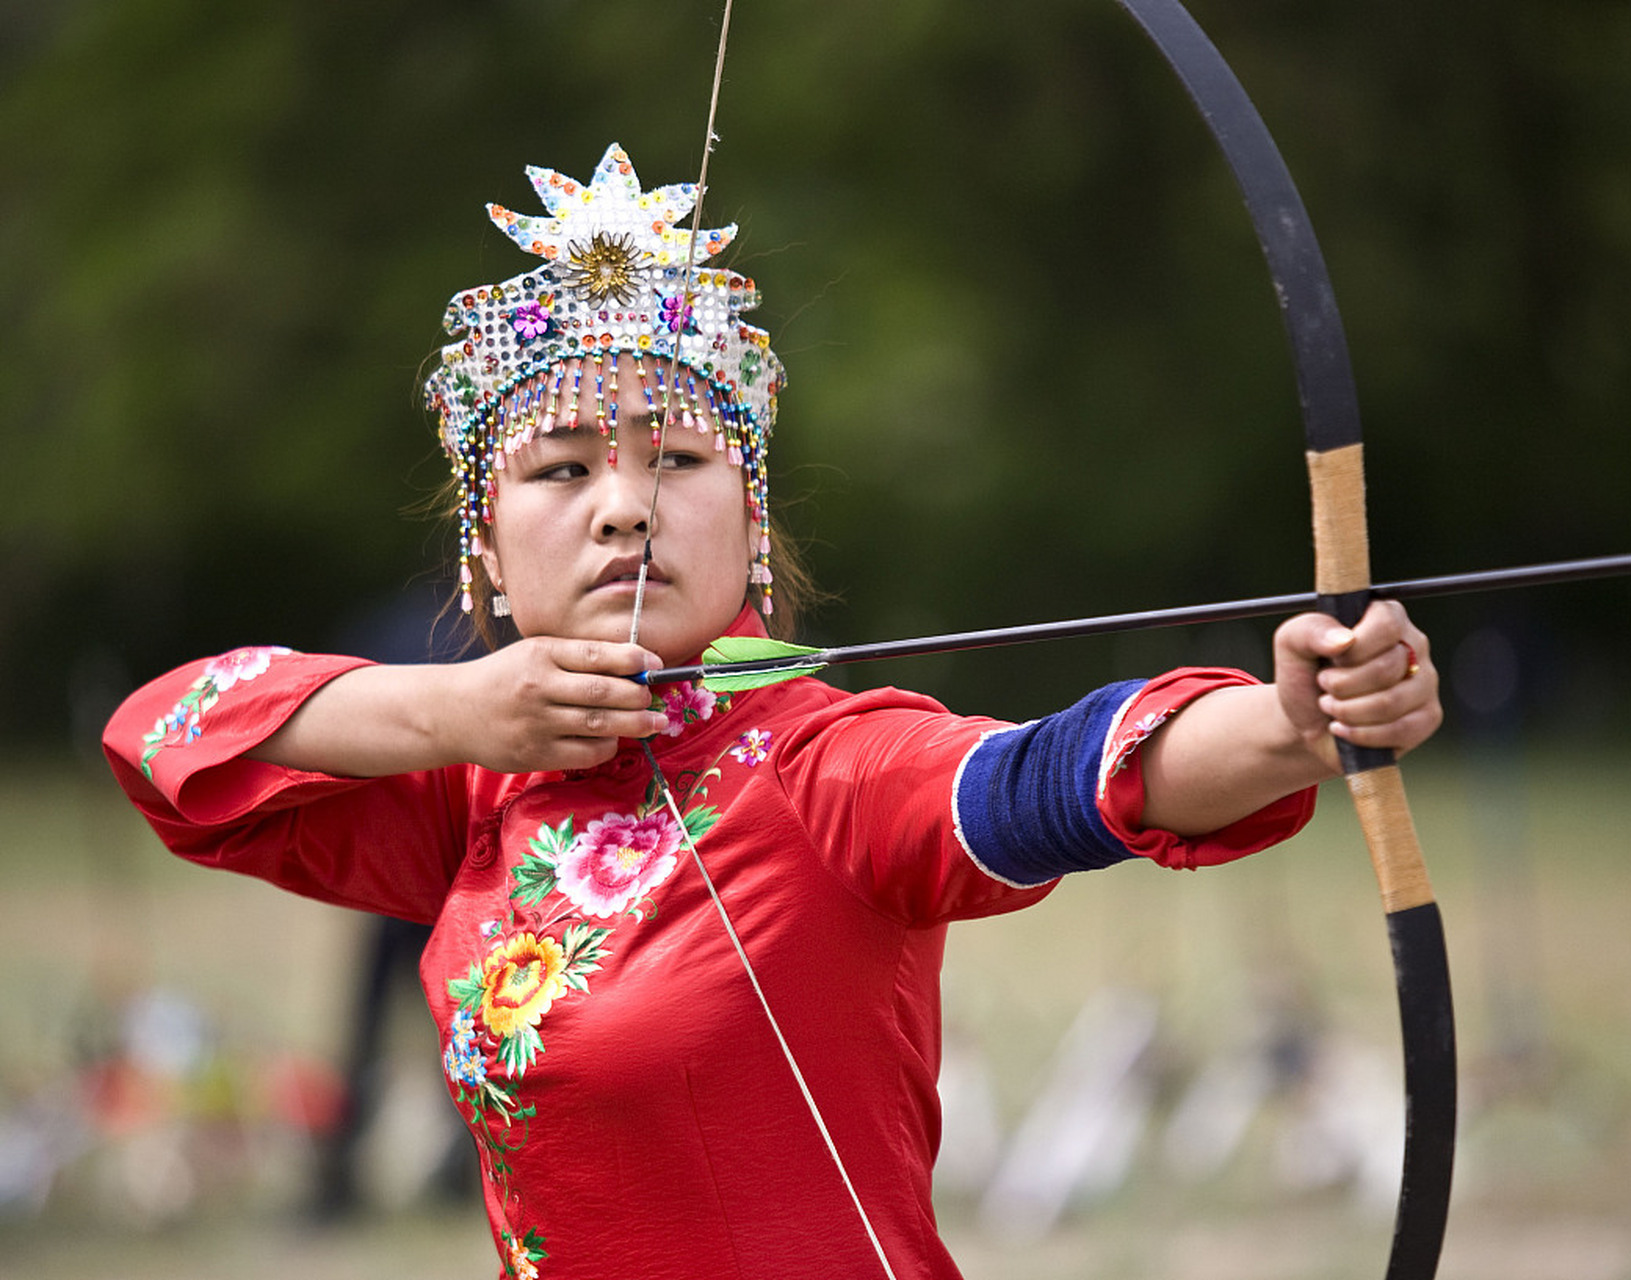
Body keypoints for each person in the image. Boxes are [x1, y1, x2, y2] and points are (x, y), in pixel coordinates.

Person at [102, 144, 1442, 1280]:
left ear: (748, 522)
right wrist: (454, 713)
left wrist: (1293, 724)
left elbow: (1050, 777)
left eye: (677, 459)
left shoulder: (822, 766)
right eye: (563, 467)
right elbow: (164, 741)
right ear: (487, 555)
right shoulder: (473, 790)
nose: (624, 503)